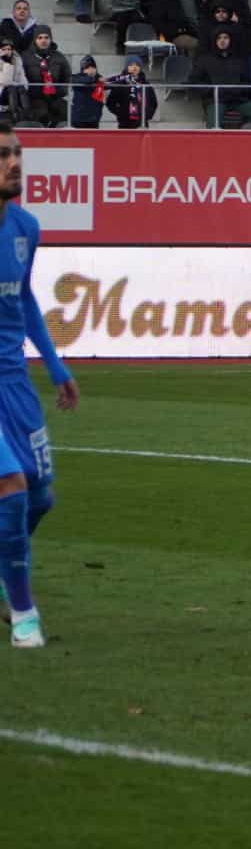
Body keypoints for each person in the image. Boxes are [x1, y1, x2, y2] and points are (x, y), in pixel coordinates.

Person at [0, 124, 77, 649]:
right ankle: (24, 614)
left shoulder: (26, 226)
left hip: (14, 382)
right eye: (4, 154)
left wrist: (56, 368)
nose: (14, 162)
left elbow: (24, 301)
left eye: (17, 153)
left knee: (41, 498)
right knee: (11, 489)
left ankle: (8, 570)